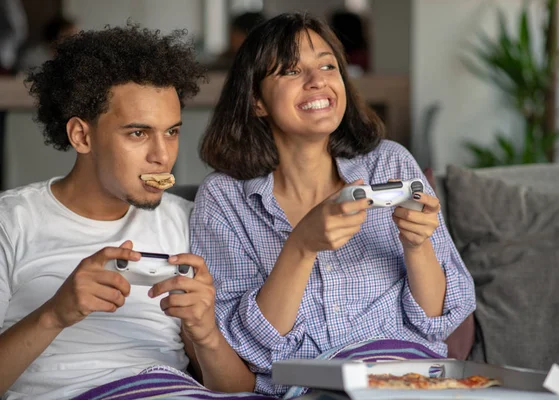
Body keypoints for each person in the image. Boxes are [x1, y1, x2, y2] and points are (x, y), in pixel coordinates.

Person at [192, 12, 476, 397]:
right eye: (291, 71)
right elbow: (249, 349)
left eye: (328, 65)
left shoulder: (389, 162)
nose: (318, 81)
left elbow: (437, 322)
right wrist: (301, 246)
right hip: (312, 388)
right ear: (257, 100)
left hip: (410, 377)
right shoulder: (224, 198)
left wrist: (417, 245)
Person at [0, 23, 255, 399]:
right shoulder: (11, 221)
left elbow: (238, 392)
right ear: (81, 136)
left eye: (171, 132)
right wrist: (55, 314)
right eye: (138, 133)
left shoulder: (187, 220)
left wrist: (205, 334)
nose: (163, 156)